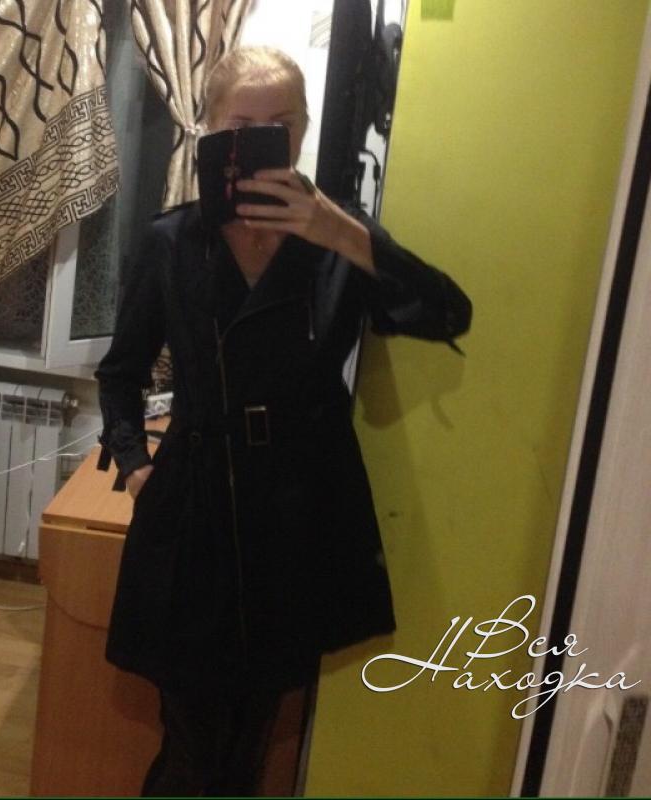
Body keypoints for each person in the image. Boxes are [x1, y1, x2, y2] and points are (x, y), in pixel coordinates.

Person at [94, 45, 472, 797]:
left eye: (282, 124)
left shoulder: (336, 239)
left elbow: (446, 312)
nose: (263, 139)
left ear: (302, 130)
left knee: (251, 744)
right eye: (242, 124)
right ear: (211, 129)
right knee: (194, 748)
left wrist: (343, 234)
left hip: (296, 514)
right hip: (196, 509)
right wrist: (137, 468)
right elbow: (120, 372)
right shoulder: (174, 241)